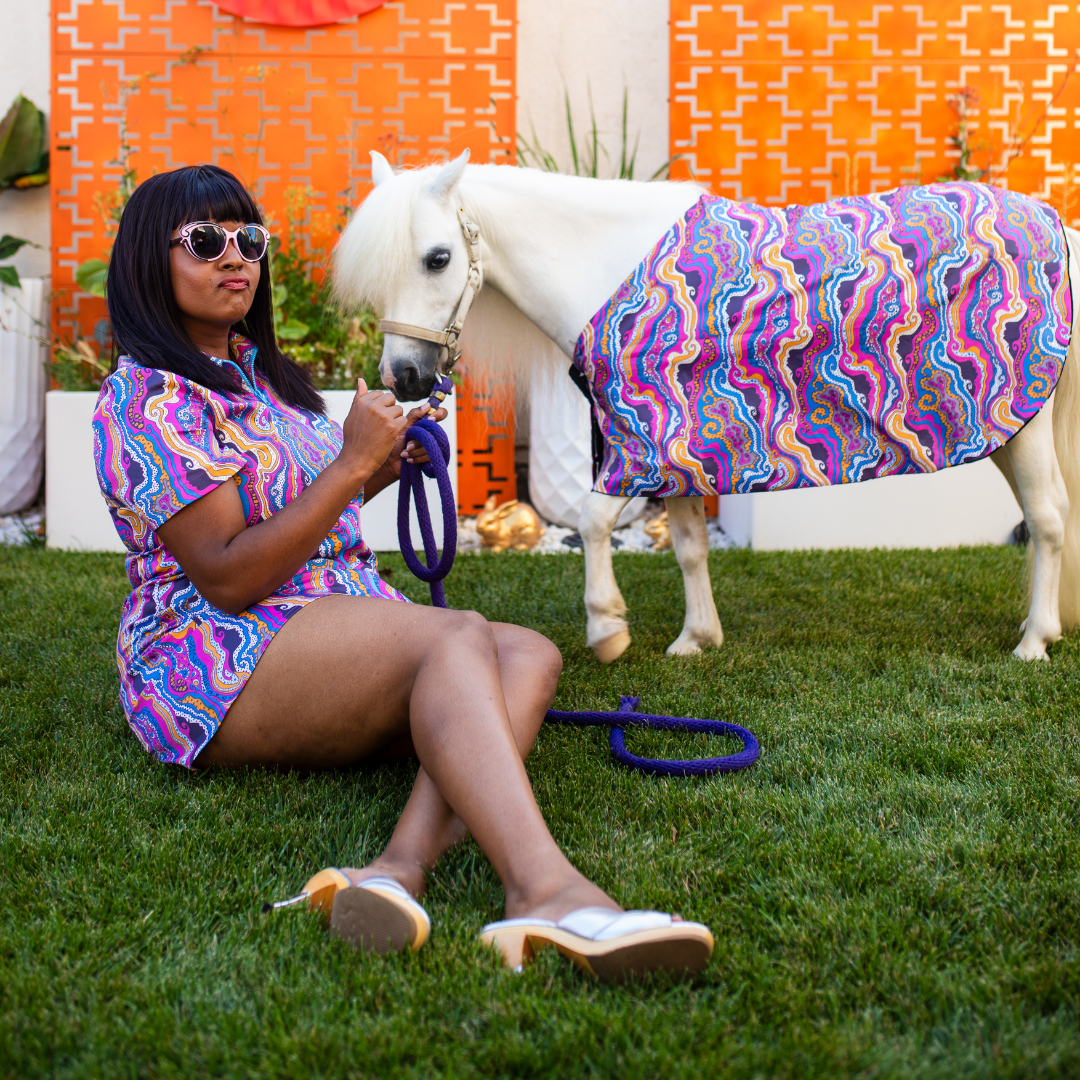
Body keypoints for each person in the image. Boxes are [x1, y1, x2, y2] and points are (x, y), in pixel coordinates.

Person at [92, 164, 713, 981]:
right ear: (148, 260)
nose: (235, 257)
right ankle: (546, 890)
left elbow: (304, 506)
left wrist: (378, 465)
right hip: (213, 653)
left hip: (319, 624)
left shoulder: (259, 380)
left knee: (530, 653)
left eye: (249, 240)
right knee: (454, 637)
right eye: (205, 242)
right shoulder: (144, 400)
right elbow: (229, 576)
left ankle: (399, 867)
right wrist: (350, 467)